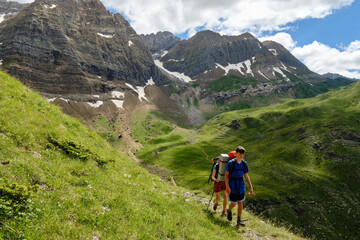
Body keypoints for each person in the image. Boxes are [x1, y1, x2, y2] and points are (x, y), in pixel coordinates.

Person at [225, 146, 253, 226]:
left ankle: (239, 220)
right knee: (233, 203)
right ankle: (229, 210)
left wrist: (251, 187)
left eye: (243, 154)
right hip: (232, 184)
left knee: (240, 203)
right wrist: (227, 186)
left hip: (241, 184)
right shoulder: (231, 163)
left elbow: (246, 175)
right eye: (240, 154)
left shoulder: (244, 163)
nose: (242, 155)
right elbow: (226, 175)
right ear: (236, 153)